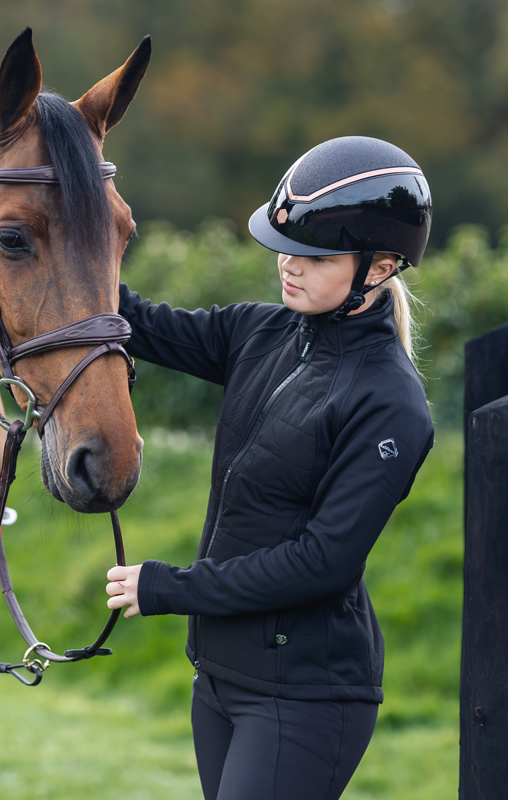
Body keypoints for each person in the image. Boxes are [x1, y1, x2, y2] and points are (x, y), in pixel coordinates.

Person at [106, 136, 435, 800]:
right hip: (220, 682)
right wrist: (49, 242)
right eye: (285, 247)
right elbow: (136, 321)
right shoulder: (261, 332)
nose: (289, 264)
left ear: (379, 268)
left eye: (316, 255)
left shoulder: (392, 405)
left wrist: (170, 588)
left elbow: (324, 561)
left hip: (305, 698)